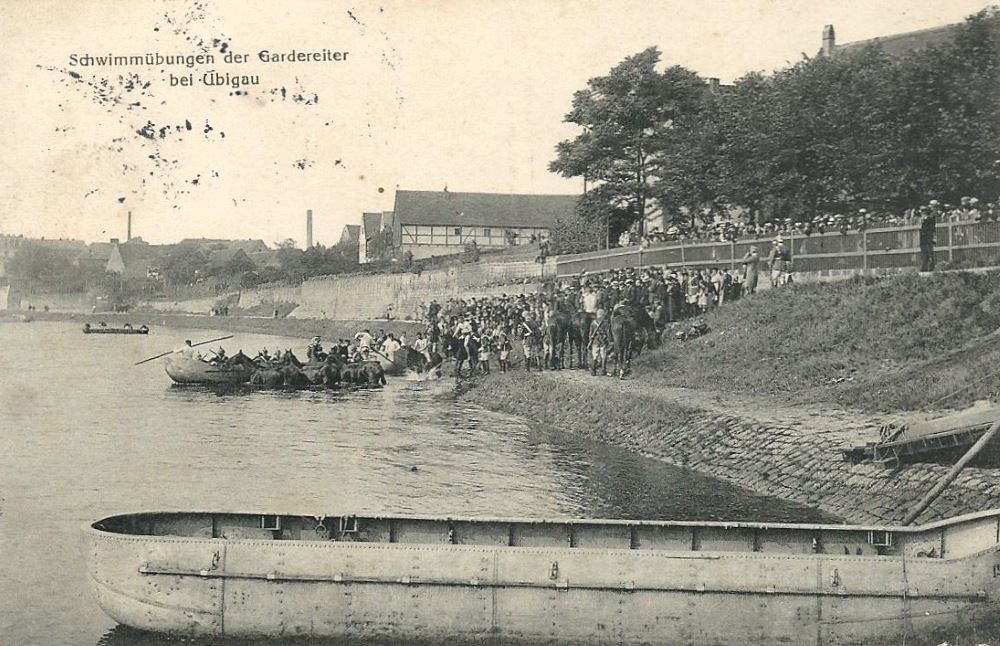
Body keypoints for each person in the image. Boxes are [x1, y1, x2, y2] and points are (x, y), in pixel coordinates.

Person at [588, 308, 611, 376]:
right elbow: (608, 333)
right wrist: (609, 341)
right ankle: (603, 370)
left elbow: (590, 333)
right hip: (603, 341)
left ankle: (593, 371)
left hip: (595, 341)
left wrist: (590, 341)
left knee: (595, 356)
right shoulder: (605, 323)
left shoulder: (593, 322)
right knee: (603, 356)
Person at [919, 206, 937, 272]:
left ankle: (930, 267)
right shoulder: (923, 220)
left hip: (928, 238)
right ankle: (924, 267)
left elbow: (931, 229)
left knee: (929, 253)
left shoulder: (930, 220)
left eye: (922, 212)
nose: (921, 214)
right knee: (924, 253)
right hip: (923, 239)